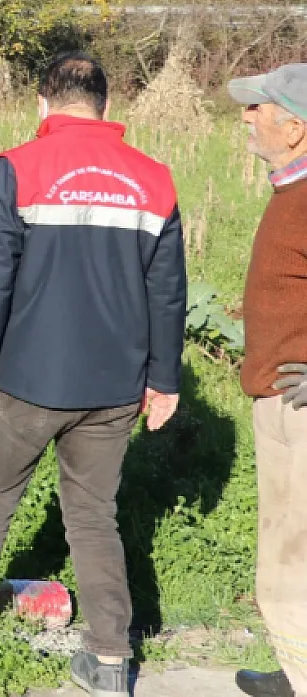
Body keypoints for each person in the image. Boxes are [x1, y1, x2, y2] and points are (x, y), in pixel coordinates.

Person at [0, 53, 186, 697]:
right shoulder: (154, 179)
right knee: (94, 516)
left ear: (44, 103)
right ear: (105, 106)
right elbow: (168, 293)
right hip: (115, 388)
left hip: (27, 381)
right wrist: (165, 380)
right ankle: (108, 658)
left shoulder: (20, 168)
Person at [226, 64, 307, 697]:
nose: (247, 117)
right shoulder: (292, 191)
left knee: (289, 555)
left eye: (259, 108)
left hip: (297, 405)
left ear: (296, 127)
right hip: (281, 398)